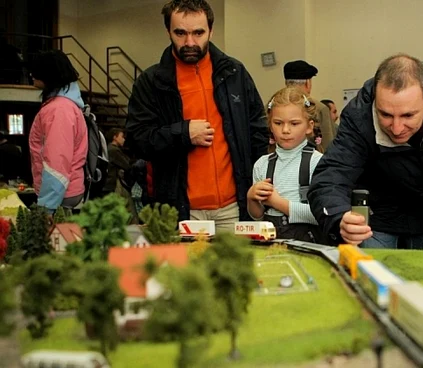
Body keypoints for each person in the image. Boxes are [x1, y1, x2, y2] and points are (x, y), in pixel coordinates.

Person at [308, 54, 423, 249]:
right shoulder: (359, 117)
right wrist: (339, 217)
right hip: (378, 219)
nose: (397, 128)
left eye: (408, 115)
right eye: (385, 115)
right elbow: (332, 175)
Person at [125, 0, 269, 231]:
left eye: (198, 33)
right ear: (168, 31)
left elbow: (257, 131)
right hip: (181, 211)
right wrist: (183, 133)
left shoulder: (235, 73)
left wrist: (256, 185)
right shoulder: (151, 82)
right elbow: (136, 140)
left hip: (235, 208)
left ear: (211, 31)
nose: (189, 42)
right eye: (180, 33)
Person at [247, 87, 324, 243]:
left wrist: (278, 203)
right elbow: (258, 216)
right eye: (278, 123)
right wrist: (251, 198)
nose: (285, 130)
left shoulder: (318, 162)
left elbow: (321, 215)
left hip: (306, 241)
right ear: (270, 125)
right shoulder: (262, 164)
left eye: (294, 123)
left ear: (309, 126)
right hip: (270, 241)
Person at [27, 49, 87, 212]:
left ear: (48, 74)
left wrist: (46, 207)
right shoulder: (65, 105)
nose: (31, 74)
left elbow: (57, 161)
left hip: (60, 195)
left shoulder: (59, 109)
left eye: (36, 71)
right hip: (65, 191)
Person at [284, 60, 337, 152]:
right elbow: (328, 145)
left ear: (286, 82)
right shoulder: (319, 108)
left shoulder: (271, 106)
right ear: (307, 83)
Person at [103, 128, 131, 196]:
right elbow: (127, 165)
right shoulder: (114, 150)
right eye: (121, 136)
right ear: (115, 137)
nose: (123, 139)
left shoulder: (109, 148)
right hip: (111, 185)